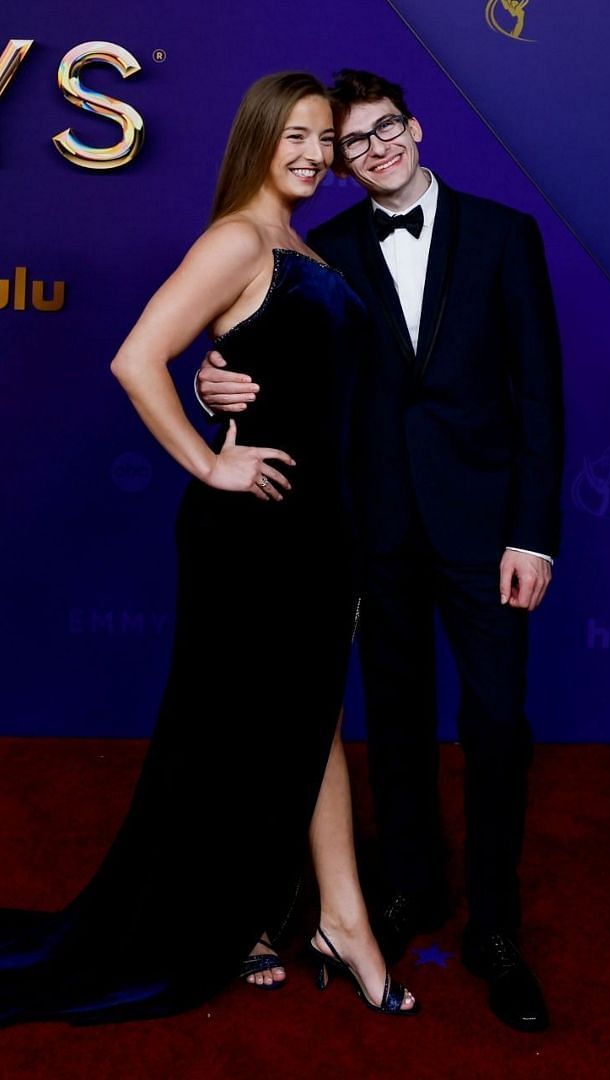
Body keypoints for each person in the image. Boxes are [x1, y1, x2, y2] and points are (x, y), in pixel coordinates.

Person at [0, 71, 415, 1024]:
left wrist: (219, 386)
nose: (314, 154)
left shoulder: (296, 243)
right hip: (255, 530)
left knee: (307, 719)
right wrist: (206, 460)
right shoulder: (237, 237)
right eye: (297, 137)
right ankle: (325, 921)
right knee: (247, 725)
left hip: (316, 527)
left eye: (327, 141)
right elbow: (137, 355)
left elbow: (280, 372)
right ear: (261, 139)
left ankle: (327, 919)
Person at [196, 68, 564, 1033]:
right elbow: (269, 347)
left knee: (494, 725)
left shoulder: (505, 234)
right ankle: (406, 892)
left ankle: (495, 929)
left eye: (384, 130)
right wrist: (211, 379)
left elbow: (540, 399)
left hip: (490, 535)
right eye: (351, 143)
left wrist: (533, 533)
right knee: (393, 722)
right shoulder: (325, 249)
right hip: (372, 528)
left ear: (417, 126)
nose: (372, 150)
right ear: (342, 162)